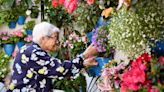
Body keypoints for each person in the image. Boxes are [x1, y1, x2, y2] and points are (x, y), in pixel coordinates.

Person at [7, 22, 98, 92]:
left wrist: (83, 63)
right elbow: (59, 69)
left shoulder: (29, 49)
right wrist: (85, 55)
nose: (57, 42)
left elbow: (51, 69)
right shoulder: (33, 53)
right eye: (55, 37)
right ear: (43, 38)